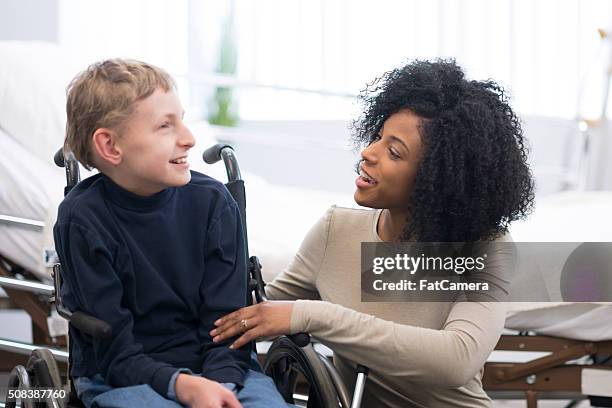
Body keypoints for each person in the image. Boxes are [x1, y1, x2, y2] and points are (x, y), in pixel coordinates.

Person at [210, 59, 535, 407]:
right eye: (377, 137)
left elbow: (456, 360)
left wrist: (310, 314)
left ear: (438, 178)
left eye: (394, 151)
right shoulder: (335, 230)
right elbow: (260, 307)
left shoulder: (487, 248)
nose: (367, 153)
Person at [54, 59, 290, 408]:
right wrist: (182, 387)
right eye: (166, 126)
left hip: (222, 368)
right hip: (118, 376)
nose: (190, 139)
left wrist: (216, 386)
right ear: (110, 146)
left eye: (183, 119)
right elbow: (115, 354)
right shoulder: (83, 220)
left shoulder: (213, 204)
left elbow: (226, 326)